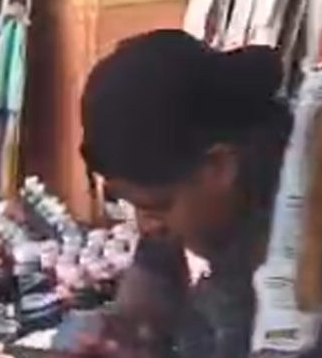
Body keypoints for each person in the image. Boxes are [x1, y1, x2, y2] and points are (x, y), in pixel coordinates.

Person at [75, 30, 306, 358]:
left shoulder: (301, 253)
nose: (148, 227)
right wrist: (127, 329)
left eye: (157, 207)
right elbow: (144, 297)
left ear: (218, 167)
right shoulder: (213, 186)